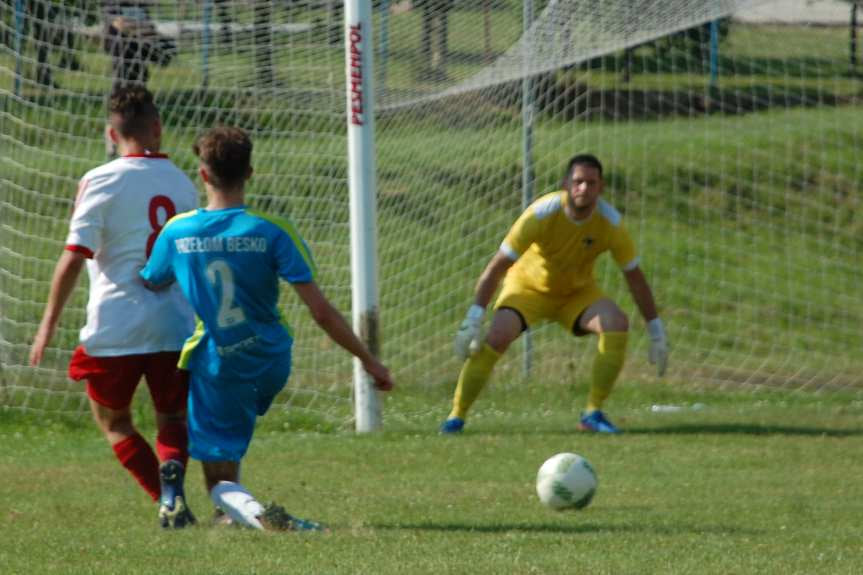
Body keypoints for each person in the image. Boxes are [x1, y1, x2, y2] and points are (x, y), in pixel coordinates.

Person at [139, 126, 394, 531]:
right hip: (271, 357)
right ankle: (233, 515)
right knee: (230, 433)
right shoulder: (272, 229)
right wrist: (369, 361)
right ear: (250, 173)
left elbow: (152, 278)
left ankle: (258, 516)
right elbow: (322, 312)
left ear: (202, 175)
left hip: (219, 360)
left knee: (216, 479)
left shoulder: (177, 230)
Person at [29, 85, 199, 528]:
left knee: (116, 423)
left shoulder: (100, 179)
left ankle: (165, 498)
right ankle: (173, 474)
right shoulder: (183, 183)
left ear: (111, 134)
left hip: (115, 326)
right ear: (158, 128)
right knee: (173, 417)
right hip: (173, 325)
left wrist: (48, 323)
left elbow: (74, 255)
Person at [441, 154, 668, 434]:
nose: (584, 188)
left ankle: (592, 413)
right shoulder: (541, 213)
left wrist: (655, 330)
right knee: (497, 337)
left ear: (601, 187)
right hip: (528, 289)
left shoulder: (611, 224)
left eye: (591, 183)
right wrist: (473, 318)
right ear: (566, 184)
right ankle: (455, 418)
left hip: (576, 294)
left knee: (616, 322)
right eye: (578, 182)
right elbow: (498, 265)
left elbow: (635, 278)